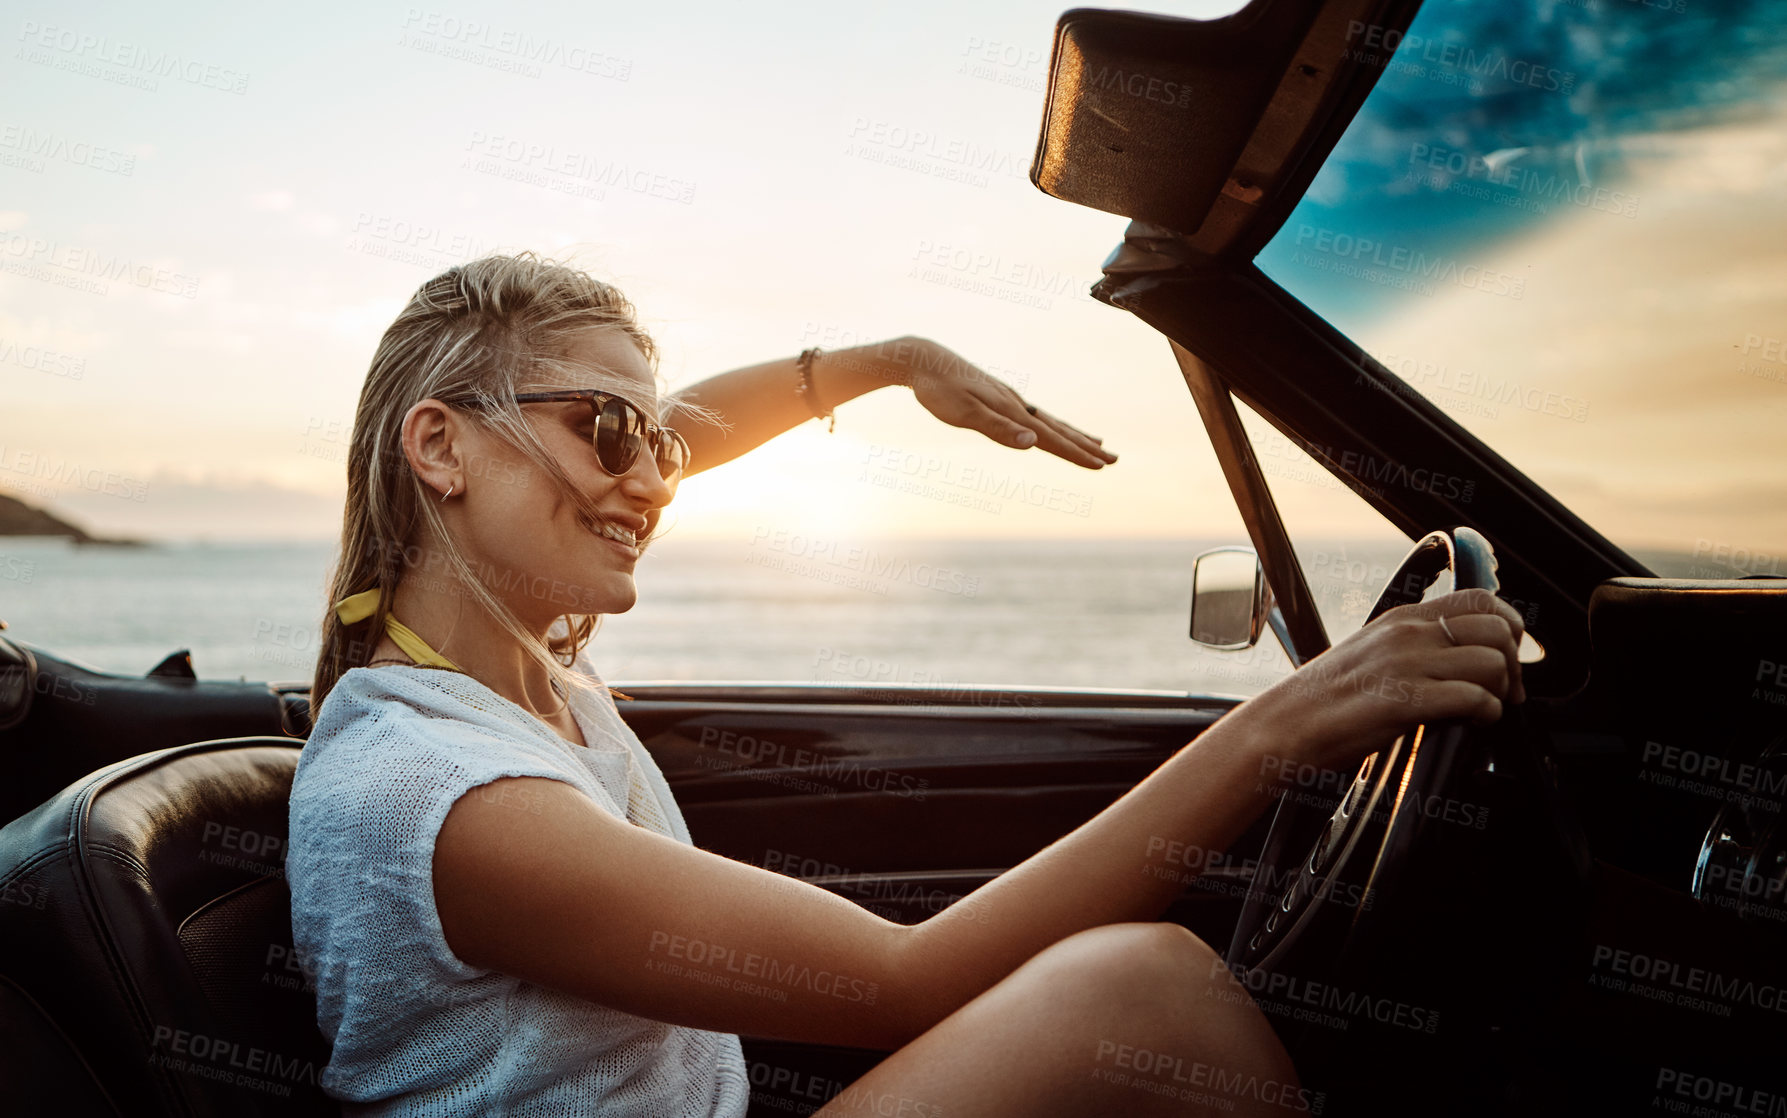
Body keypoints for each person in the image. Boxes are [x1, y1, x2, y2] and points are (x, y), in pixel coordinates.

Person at [287, 251, 1525, 1117]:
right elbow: (901, 982)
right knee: (1137, 992)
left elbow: (695, 424)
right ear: (440, 444)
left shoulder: (515, 671)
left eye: (652, 441)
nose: (656, 480)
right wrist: (1284, 720)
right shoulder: (442, 793)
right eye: (611, 431)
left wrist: (884, 364)